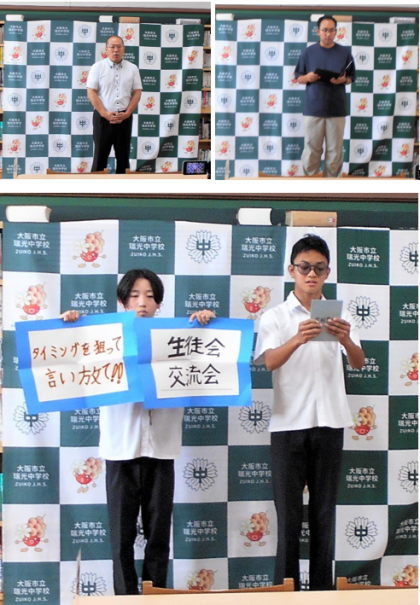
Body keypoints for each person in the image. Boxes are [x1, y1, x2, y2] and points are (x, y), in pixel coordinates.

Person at [62, 269, 215, 594]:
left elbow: (211, 362)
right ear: (122, 301)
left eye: (149, 296)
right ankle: (124, 598)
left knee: (159, 535)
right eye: (134, 296)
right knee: (121, 538)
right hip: (120, 449)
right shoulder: (102, 339)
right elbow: (70, 363)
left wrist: (204, 326)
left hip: (161, 448)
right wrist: (71, 326)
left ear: (159, 303)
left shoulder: (178, 337)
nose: (142, 303)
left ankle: (155, 596)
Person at [254, 235, 365, 591]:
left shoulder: (337, 313)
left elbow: (359, 362)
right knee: (288, 518)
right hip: (289, 425)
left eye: (319, 268)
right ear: (292, 270)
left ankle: (322, 593)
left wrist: (345, 339)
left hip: (330, 423)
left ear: (328, 272)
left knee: (323, 515)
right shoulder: (275, 316)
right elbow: (269, 362)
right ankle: (285, 593)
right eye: (304, 267)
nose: (311, 274)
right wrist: (298, 338)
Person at [294, 16, 356, 178]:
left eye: (331, 30)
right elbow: (298, 77)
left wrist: (343, 80)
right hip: (313, 109)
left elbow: (351, 77)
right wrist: (308, 77)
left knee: (335, 152)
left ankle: (332, 189)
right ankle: (310, 187)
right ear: (318, 31)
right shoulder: (308, 52)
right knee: (311, 151)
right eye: (324, 30)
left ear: (336, 31)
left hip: (336, 109)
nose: (328, 34)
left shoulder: (344, 53)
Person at [87, 35, 142, 174]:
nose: (115, 49)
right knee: (100, 156)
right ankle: (95, 186)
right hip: (102, 118)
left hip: (124, 118)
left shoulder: (133, 68)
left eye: (119, 46)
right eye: (112, 46)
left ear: (123, 49)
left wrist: (127, 113)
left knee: (123, 158)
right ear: (106, 49)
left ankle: (122, 187)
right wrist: (104, 113)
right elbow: (91, 92)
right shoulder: (97, 67)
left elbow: (137, 92)